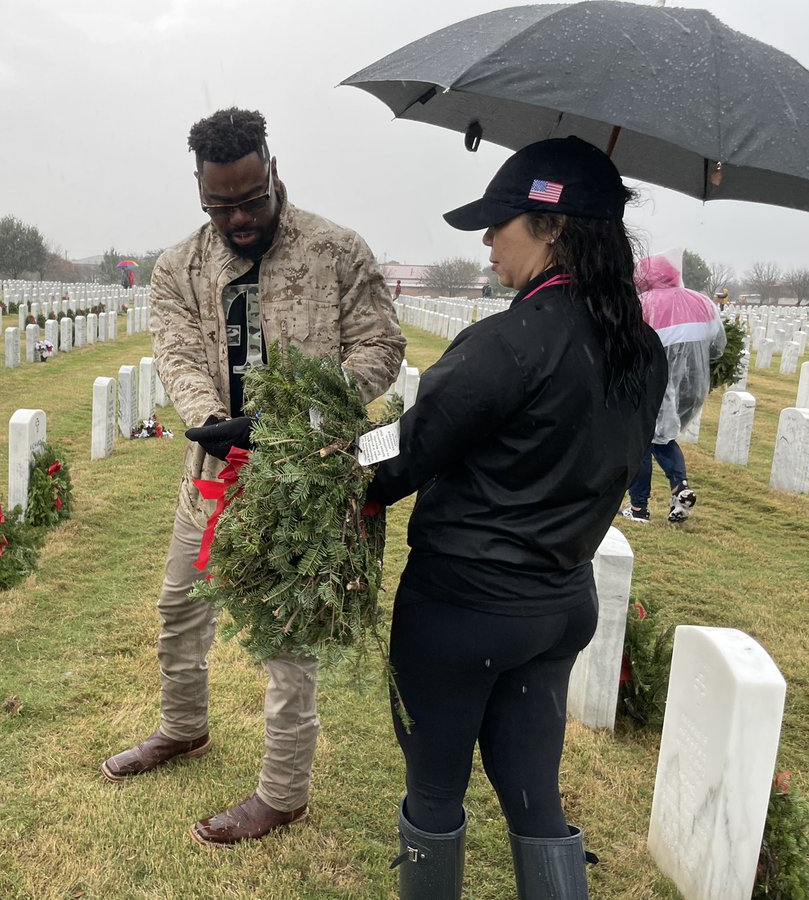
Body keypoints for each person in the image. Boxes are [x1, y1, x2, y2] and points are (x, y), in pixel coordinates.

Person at [365, 136, 665, 899]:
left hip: (464, 609)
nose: (488, 240)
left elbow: (400, 454)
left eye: (501, 222)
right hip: (561, 602)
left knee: (436, 789)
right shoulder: (642, 347)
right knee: (534, 790)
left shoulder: (507, 342)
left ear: (554, 227)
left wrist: (317, 451)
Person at [101, 107, 405, 847]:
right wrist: (211, 417)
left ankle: (283, 792)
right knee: (180, 607)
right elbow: (176, 353)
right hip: (212, 472)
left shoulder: (338, 251)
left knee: (288, 639)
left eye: (251, 200)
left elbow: (381, 347)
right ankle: (183, 728)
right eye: (220, 206)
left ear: (273, 171)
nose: (238, 218)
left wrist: (293, 412)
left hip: (304, 477)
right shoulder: (180, 268)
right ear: (200, 191)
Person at [621, 251, 725, 524]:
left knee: (641, 441)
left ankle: (639, 508)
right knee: (665, 438)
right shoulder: (701, 302)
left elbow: (628, 346)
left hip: (653, 383)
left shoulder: (643, 304)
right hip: (690, 387)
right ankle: (680, 486)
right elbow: (718, 346)